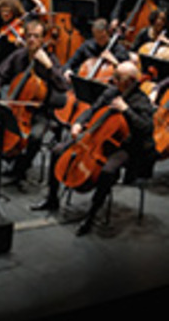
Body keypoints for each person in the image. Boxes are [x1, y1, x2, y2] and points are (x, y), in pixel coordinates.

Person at [31, 61, 156, 236]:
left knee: (108, 171)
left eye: (118, 77)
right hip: (97, 137)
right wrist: (78, 123)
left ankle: (90, 216)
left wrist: (126, 109)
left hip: (127, 146)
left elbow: (146, 128)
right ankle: (52, 198)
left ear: (130, 81)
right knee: (58, 150)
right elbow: (92, 109)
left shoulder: (141, 101)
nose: (113, 80)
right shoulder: (112, 92)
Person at [0, 19, 68, 185]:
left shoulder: (50, 59)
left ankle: (21, 168)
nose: (31, 39)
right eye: (29, 35)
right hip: (18, 107)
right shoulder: (19, 55)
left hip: (41, 111)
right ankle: (9, 156)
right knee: (0, 125)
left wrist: (49, 66)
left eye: (36, 36)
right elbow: (0, 73)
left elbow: (63, 85)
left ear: (43, 39)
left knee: (35, 137)